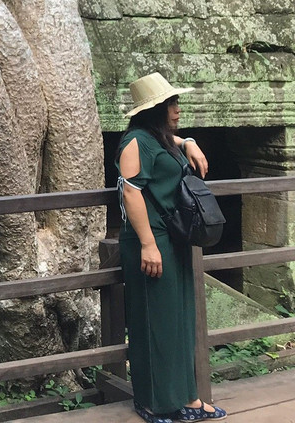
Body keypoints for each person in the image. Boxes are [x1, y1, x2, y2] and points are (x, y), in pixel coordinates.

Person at [116, 72, 227, 423]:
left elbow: (171, 142)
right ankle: (155, 402)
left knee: (179, 318)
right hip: (151, 240)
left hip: (173, 237)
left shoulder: (159, 138)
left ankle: (187, 398)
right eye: (171, 104)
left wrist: (188, 141)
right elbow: (130, 192)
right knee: (155, 319)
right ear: (154, 110)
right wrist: (148, 244)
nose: (177, 110)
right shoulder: (135, 142)